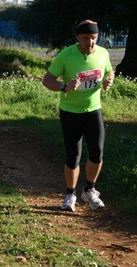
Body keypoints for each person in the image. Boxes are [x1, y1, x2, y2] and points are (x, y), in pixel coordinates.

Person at [42, 19, 114, 212]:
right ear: (77, 38)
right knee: (73, 156)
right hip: (70, 113)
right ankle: (70, 194)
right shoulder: (66, 55)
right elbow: (47, 79)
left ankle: (89, 190)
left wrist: (109, 81)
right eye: (85, 38)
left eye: (93, 38)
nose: (90, 42)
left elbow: (109, 71)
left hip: (93, 111)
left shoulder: (103, 53)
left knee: (97, 153)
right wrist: (63, 86)